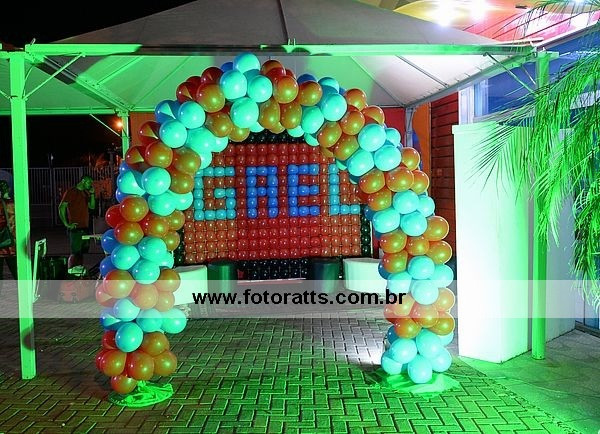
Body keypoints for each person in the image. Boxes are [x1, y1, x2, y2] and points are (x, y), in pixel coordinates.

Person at [58, 175, 96, 270]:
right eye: (89, 182)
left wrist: (92, 194)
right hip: (75, 227)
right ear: (83, 181)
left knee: (82, 253)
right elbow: (61, 207)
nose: (90, 185)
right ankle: (71, 270)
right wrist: (66, 224)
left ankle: (78, 271)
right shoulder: (71, 191)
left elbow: (92, 206)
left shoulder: (85, 193)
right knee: (75, 253)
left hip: (85, 227)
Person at [0, 180, 17, 291]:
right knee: (16, 270)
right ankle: (23, 292)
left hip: (1, 241)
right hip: (12, 242)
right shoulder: (14, 204)